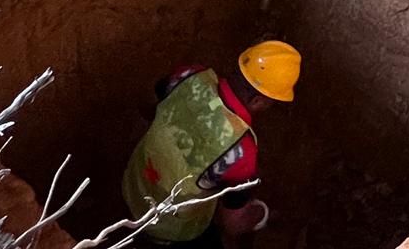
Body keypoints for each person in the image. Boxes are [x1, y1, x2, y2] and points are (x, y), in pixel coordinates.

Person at [122, 40, 301, 246]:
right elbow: (233, 224)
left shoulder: (189, 75)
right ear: (257, 101)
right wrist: (258, 215)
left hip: (132, 185)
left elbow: (150, 107)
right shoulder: (240, 152)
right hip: (166, 228)